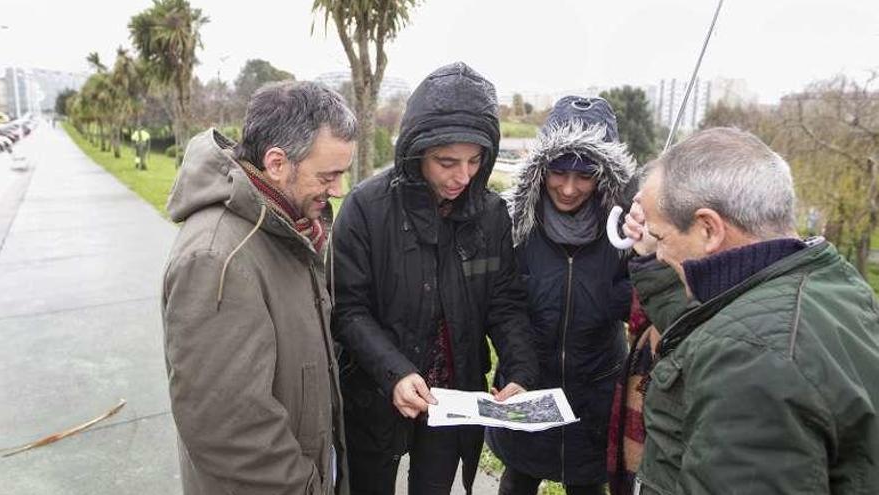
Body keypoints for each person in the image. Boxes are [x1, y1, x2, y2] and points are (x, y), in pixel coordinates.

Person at [621, 127, 879, 493]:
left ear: (709, 228)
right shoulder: (827, 285)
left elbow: (736, 339)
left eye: (661, 239)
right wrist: (652, 255)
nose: (659, 253)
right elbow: (708, 326)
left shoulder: (749, 358)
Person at [330, 61, 538, 495]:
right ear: (416, 151)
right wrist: (395, 372)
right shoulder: (365, 208)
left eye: (474, 161)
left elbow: (505, 303)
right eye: (447, 162)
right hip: (377, 392)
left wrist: (518, 369)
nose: (462, 176)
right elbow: (349, 309)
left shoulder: (492, 215)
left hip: (454, 397)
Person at [161, 80, 356, 495]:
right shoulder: (217, 257)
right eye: (329, 175)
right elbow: (228, 430)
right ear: (277, 163)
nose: (338, 189)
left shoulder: (290, 227)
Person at [484, 96, 635, 495]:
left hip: (596, 399)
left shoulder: (627, 234)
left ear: (604, 176)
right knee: (518, 479)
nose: (568, 188)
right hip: (528, 387)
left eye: (584, 176)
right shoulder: (514, 227)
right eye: (558, 172)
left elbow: (637, 307)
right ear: (541, 169)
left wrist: (645, 256)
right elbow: (503, 306)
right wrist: (519, 372)